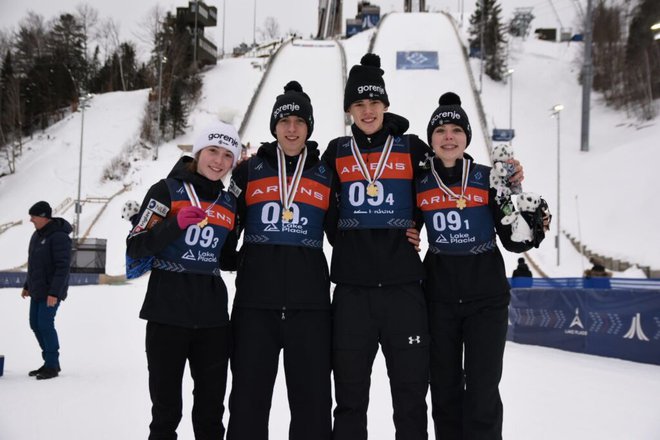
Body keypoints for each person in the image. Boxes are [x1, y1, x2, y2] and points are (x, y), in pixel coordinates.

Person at [417, 92, 547, 440]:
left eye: (456, 130)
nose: (448, 136)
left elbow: (513, 239)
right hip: (439, 300)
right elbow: (406, 227)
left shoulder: (490, 179)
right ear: (431, 138)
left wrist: (532, 221)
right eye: (441, 129)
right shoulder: (421, 181)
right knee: (443, 392)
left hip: (486, 301)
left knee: (482, 393)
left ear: (466, 137)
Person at [321, 53, 431, 440]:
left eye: (374, 103)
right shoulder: (334, 152)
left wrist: (419, 225)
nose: (367, 111)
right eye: (359, 104)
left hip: (403, 291)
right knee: (350, 398)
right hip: (352, 292)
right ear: (349, 109)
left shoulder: (413, 148)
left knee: (411, 395)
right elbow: (314, 199)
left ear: (385, 105)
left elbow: (450, 184)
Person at [227, 81, 337, 440]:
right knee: (247, 401)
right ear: (274, 126)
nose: (292, 128)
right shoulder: (248, 171)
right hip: (255, 306)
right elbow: (227, 226)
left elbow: (345, 232)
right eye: (285, 121)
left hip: (311, 308)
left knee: (313, 404)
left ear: (309, 127)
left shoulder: (326, 174)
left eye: (300, 122)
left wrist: (407, 232)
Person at [126, 121, 241, 440]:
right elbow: (136, 245)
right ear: (198, 152)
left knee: (211, 413)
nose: (218, 161)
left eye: (227, 155)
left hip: (213, 320)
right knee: (166, 413)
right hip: (167, 314)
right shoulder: (166, 189)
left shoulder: (229, 202)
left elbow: (227, 257)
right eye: (212, 151)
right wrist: (173, 224)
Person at [21, 200, 72, 380]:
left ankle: (52, 364)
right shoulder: (37, 236)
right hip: (37, 289)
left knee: (45, 324)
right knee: (35, 324)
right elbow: (34, 264)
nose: (31, 220)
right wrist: (28, 285)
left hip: (51, 292)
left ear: (43, 217)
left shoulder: (59, 236)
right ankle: (49, 362)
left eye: (33, 216)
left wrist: (54, 293)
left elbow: (62, 267)